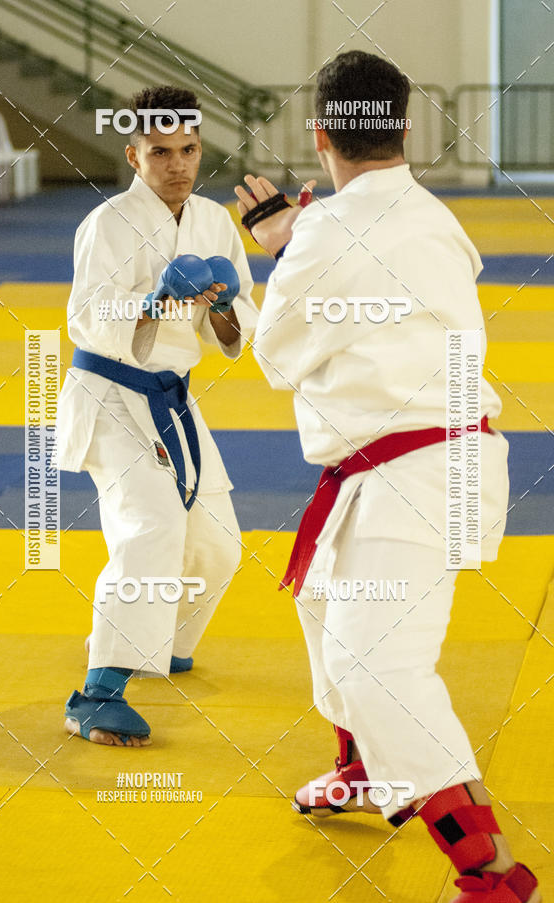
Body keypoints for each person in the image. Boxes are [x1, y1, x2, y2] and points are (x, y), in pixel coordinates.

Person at [235, 51, 539, 903]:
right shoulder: (437, 216)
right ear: (404, 127)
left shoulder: (326, 231)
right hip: (429, 460)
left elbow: (278, 356)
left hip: (411, 468)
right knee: (322, 604)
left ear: (321, 132)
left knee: (375, 661)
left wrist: (283, 245)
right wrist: (304, 239)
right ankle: (365, 767)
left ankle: (489, 868)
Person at [57, 85, 258, 747]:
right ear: (134, 153)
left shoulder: (212, 221)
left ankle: (157, 640)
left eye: (190, 149)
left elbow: (234, 326)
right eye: (162, 151)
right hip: (111, 395)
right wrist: (151, 299)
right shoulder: (108, 222)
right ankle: (97, 690)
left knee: (219, 544)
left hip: (172, 396)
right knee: (152, 527)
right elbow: (85, 318)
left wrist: (224, 302)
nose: (179, 164)